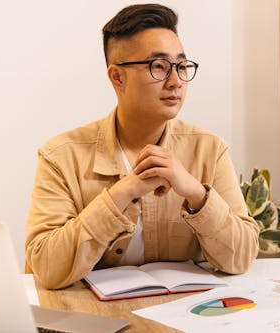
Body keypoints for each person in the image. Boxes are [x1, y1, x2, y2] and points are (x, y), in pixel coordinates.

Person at [25, 3, 259, 289]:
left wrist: (196, 194)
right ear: (117, 77)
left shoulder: (209, 149)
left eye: (181, 66)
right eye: (158, 66)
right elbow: (47, 268)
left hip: (182, 314)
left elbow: (242, 257)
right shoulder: (61, 156)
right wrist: (122, 193)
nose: (175, 82)